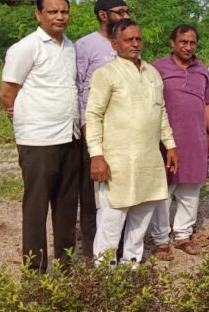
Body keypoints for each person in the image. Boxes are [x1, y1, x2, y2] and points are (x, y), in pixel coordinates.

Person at [0, 0, 81, 272]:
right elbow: (8, 92)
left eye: (64, 11)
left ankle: (65, 265)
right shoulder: (26, 48)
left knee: (67, 205)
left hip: (69, 136)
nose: (60, 16)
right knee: (36, 207)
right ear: (38, 14)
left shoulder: (70, 47)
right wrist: (24, 120)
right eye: (53, 11)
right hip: (38, 140)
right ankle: (35, 271)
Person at [85, 19, 179, 265]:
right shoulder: (106, 74)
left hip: (148, 159)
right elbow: (93, 115)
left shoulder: (152, 72)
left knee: (141, 217)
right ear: (115, 44)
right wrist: (96, 155)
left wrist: (170, 145)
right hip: (117, 160)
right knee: (112, 219)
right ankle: (104, 272)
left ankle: (131, 266)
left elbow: (161, 112)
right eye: (128, 40)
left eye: (138, 39)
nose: (135, 44)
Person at [150, 25, 209, 260]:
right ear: (173, 42)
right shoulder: (157, 68)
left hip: (195, 139)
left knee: (190, 189)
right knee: (163, 191)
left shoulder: (202, 69)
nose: (188, 47)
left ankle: (183, 234)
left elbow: (207, 104)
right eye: (183, 42)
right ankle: (161, 239)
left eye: (192, 43)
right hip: (166, 140)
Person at [75, 0, 130, 258]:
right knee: (91, 195)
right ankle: (91, 253)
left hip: (122, 132)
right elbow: (77, 87)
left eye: (127, 11)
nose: (126, 16)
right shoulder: (86, 45)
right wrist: (85, 126)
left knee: (120, 192)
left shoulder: (127, 44)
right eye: (120, 11)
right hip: (94, 131)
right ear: (103, 15)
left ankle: (118, 250)